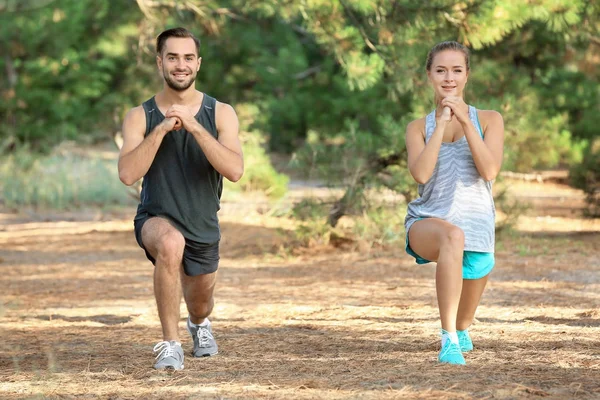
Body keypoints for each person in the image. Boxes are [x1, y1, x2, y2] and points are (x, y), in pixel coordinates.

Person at [118, 27, 244, 370]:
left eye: (188, 57)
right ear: (160, 62)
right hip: (156, 217)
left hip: (203, 223)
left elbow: (234, 170)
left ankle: (199, 325)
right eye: (172, 57)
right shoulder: (139, 116)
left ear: (198, 63)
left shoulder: (221, 113)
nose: (180, 64)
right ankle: (170, 344)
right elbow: (128, 174)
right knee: (170, 244)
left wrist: (193, 127)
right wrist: (160, 128)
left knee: (201, 303)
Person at [404, 41, 504, 365]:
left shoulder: (489, 119)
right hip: (428, 222)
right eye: (441, 70)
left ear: (467, 75)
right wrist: (442, 124)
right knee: (452, 236)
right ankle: (447, 341)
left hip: (477, 230)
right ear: (429, 75)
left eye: (457, 70)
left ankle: (457, 331)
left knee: (464, 323)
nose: (449, 78)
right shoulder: (417, 127)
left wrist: (464, 121)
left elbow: (489, 170)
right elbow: (421, 174)